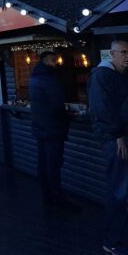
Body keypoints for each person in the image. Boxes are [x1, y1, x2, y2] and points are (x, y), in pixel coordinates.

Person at [88, 39, 128, 255]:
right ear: (112, 54)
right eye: (123, 52)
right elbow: (102, 109)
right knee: (118, 190)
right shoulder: (101, 76)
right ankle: (112, 241)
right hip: (116, 140)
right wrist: (117, 135)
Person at [28, 50, 77, 209]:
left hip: (40, 126)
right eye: (55, 61)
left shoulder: (34, 77)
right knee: (53, 164)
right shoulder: (50, 79)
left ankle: (47, 195)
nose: (57, 63)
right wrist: (66, 115)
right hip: (53, 127)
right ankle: (57, 198)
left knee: (43, 163)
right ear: (48, 61)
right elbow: (57, 104)